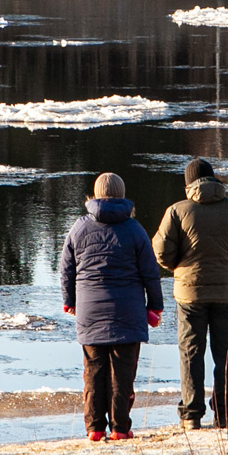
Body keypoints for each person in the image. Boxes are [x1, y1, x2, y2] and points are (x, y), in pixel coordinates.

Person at [153, 158, 228, 430]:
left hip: (189, 295)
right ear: (214, 180)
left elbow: (162, 253)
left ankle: (191, 416)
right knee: (226, 353)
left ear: (189, 184)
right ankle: (223, 415)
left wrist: (179, 266)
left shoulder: (177, 211)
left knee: (191, 353)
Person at [59, 172, 163, 441]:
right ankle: (120, 428)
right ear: (122, 194)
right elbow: (150, 272)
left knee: (93, 370)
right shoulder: (135, 229)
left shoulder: (79, 228)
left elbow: (66, 269)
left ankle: (94, 428)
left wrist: (69, 301)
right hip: (128, 312)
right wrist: (155, 306)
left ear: (94, 195)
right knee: (123, 373)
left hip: (89, 311)